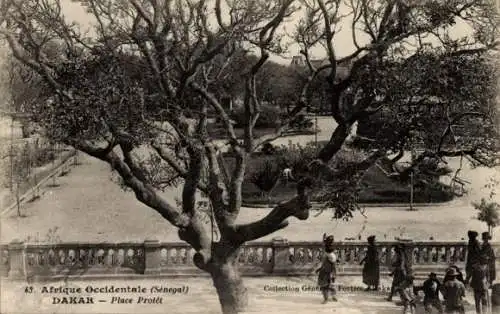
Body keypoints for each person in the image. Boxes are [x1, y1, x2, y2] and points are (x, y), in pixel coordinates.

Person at [316, 233, 338, 303]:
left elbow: (333, 266)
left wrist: (333, 274)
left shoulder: (330, 255)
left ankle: (328, 298)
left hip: (327, 273)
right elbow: (326, 264)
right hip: (325, 272)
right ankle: (330, 297)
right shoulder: (329, 254)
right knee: (328, 286)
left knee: (326, 286)